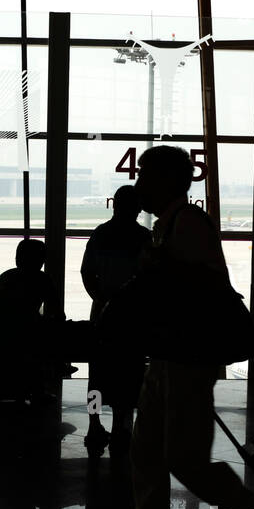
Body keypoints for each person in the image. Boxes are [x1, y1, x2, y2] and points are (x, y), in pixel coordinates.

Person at [128, 145, 254, 509]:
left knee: (183, 459)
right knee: (147, 455)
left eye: (146, 176)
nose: (139, 185)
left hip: (187, 359)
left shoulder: (186, 225)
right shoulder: (168, 226)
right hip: (168, 357)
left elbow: (195, 287)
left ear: (169, 181)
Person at [82, 185, 150, 452]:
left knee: (97, 375)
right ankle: (124, 424)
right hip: (132, 317)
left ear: (114, 206)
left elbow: (87, 273)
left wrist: (100, 299)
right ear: (138, 208)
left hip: (103, 314)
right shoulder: (144, 237)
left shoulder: (100, 234)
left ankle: (94, 422)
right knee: (131, 373)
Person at [0, 238, 63, 402]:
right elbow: (56, 310)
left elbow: (1, 311)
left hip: (2, 333)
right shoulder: (42, 279)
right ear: (40, 260)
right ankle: (39, 388)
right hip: (28, 334)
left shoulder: (6, 277)